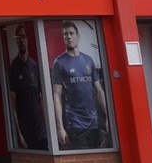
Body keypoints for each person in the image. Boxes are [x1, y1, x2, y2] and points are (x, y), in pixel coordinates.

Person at [51, 20, 108, 150]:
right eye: (65, 34)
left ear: (78, 36)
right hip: (74, 124)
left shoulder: (89, 60)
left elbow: (99, 91)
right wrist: (60, 128)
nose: (68, 37)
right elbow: (57, 96)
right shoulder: (59, 63)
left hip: (93, 122)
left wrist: (107, 117)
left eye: (71, 33)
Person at [7, 23, 48, 150]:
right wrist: (18, 132)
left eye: (23, 37)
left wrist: (48, 127)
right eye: (18, 37)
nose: (21, 40)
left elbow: (41, 99)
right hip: (25, 129)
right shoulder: (14, 67)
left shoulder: (34, 66)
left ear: (28, 39)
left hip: (39, 129)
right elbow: (12, 103)